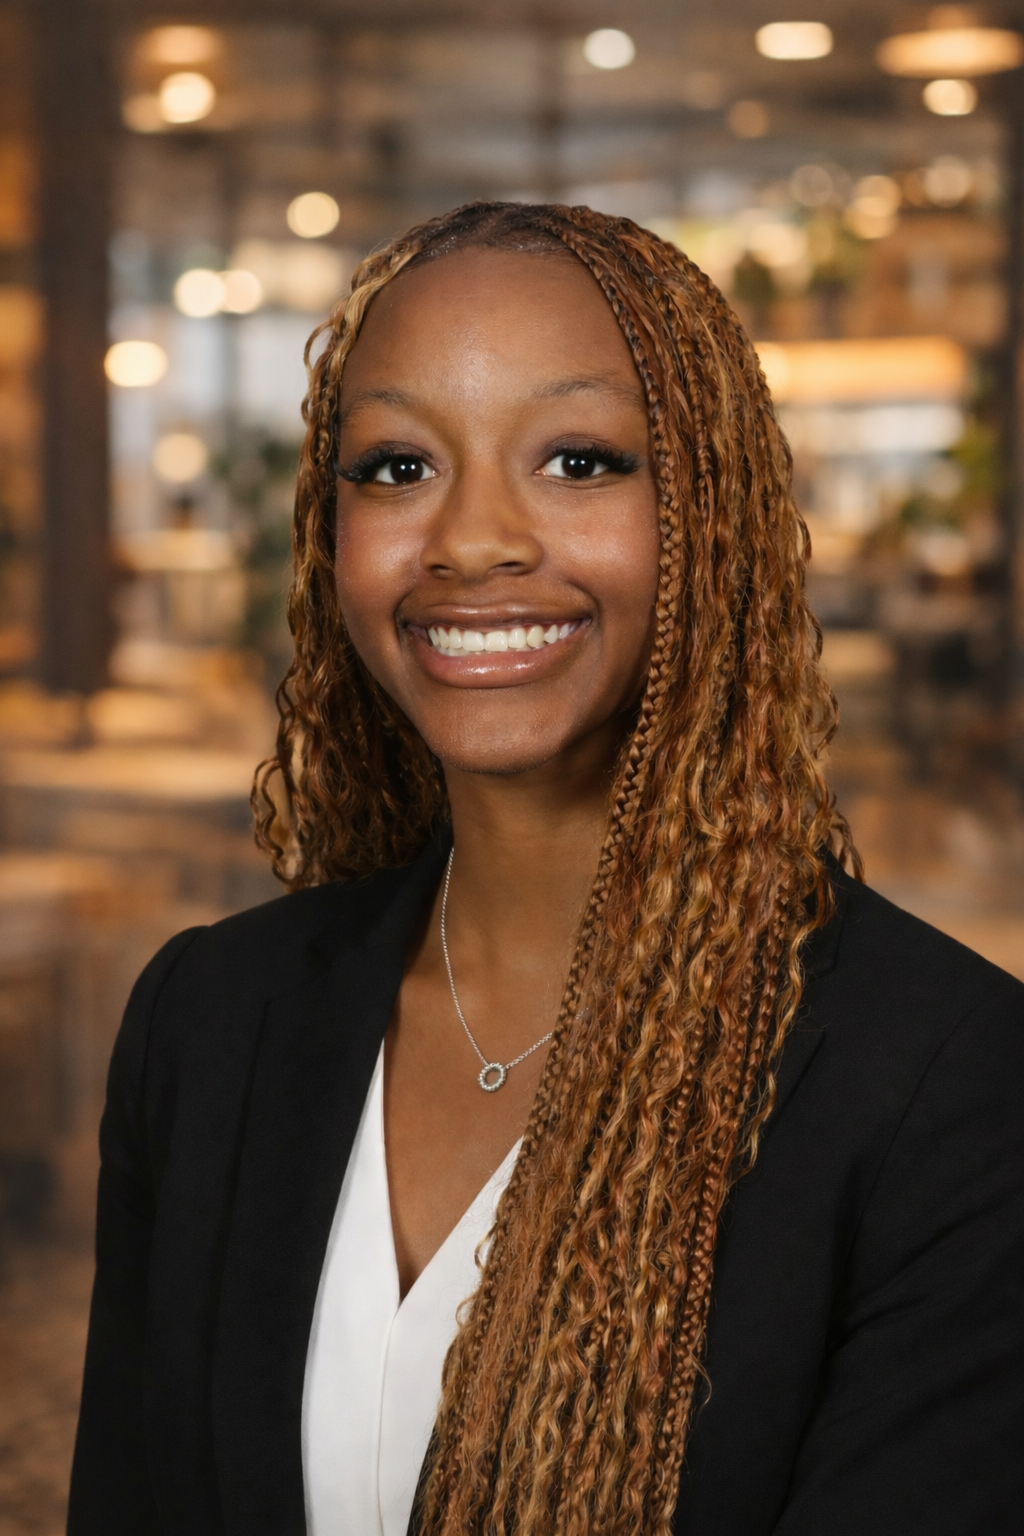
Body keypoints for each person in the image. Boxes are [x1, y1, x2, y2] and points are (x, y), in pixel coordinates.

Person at [68, 202, 1023, 1536]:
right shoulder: (211, 1022)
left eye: (579, 460)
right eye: (397, 468)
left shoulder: (941, 1083)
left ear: (715, 512)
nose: (471, 539)